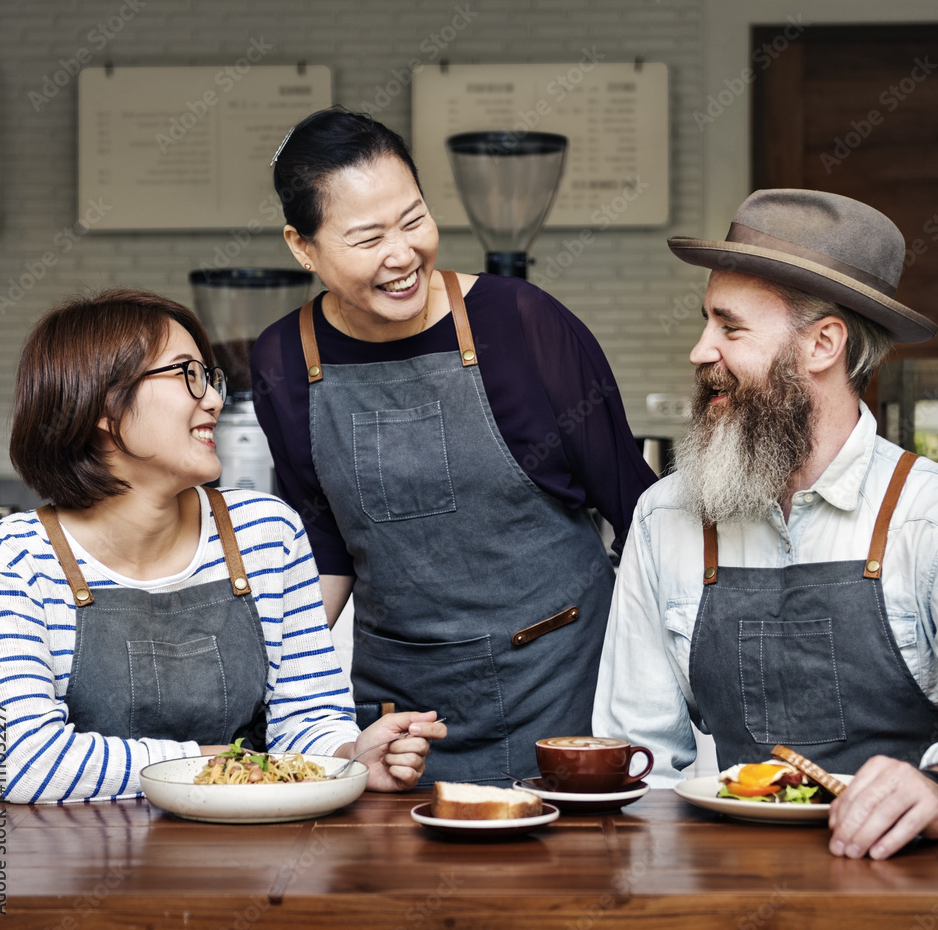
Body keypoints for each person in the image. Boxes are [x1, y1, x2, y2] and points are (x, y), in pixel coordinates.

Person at [250, 108, 656, 785]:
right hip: (403, 718)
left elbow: (639, 509)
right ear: (302, 246)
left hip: (562, 689)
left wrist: (656, 686)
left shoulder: (523, 324)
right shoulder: (285, 359)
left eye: (413, 221)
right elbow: (324, 544)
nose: (402, 255)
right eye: (367, 237)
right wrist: (277, 698)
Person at [593, 188, 938, 858]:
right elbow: (637, 761)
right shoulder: (666, 518)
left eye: (730, 328)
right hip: (723, 883)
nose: (699, 351)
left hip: (908, 880)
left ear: (822, 344)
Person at [0, 289, 445, 804]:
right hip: (79, 868)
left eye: (209, 375)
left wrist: (350, 756)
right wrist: (225, 764)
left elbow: (307, 722)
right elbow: (20, 762)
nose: (215, 399)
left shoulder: (266, 533)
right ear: (102, 405)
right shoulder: (15, 558)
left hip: (248, 859)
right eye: (187, 374)